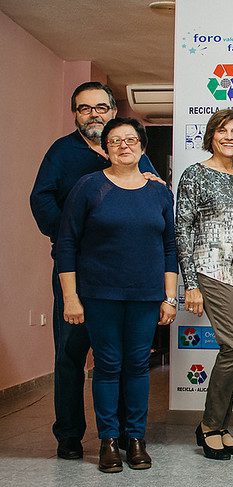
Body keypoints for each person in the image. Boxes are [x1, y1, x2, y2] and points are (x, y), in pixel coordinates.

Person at [30, 82, 160, 460]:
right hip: (75, 271)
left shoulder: (127, 147)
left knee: (118, 358)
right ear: (75, 114)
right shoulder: (62, 152)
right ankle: (69, 436)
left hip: (119, 276)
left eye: (101, 107)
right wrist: (74, 236)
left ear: (112, 110)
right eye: (85, 109)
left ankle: (119, 435)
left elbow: (151, 188)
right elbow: (41, 200)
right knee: (71, 354)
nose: (94, 115)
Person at [56, 117, 177, 472]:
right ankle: (108, 440)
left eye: (130, 139)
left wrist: (169, 298)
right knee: (108, 367)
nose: (124, 145)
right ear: (106, 149)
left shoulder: (159, 191)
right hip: (100, 294)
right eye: (115, 141)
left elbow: (169, 246)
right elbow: (67, 245)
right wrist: (70, 297)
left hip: (146, 295)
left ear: (142, 146)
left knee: (138, 366)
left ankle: (136, 438)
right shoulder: (89, 187)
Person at [176, 109, 233, 461]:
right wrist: (191, 284)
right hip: (212, 270)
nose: (230, 136)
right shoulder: (195, 174)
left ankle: (220, 426)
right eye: (223, 130)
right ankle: (210, 426)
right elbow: (182, 229)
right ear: (211, 135)